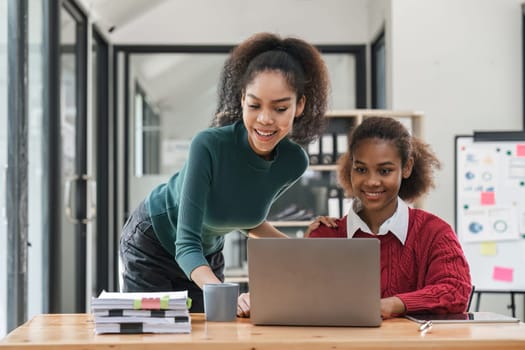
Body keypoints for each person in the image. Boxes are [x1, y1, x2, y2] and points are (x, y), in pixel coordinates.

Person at [119, 32, 330, 312]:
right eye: (254, 105)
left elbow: (246, 217)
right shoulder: (209, 145)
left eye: (280, 108)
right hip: (153, 240)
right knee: (159, 334)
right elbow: (186, 243)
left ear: (299, 105)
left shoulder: (293, 163)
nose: (265, 119)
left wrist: (305, 250)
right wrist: (227, 294)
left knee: (213, 334)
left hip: (206, 252)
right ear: (242, 99)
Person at [307, 116, 472, 319]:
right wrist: (303, 253)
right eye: (361, 169)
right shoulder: (326, 235)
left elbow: (455, 291)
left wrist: (395, 304)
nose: (372, 181)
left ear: (407, 167)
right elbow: (305, 301)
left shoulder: (434, 232)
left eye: (385, 171)